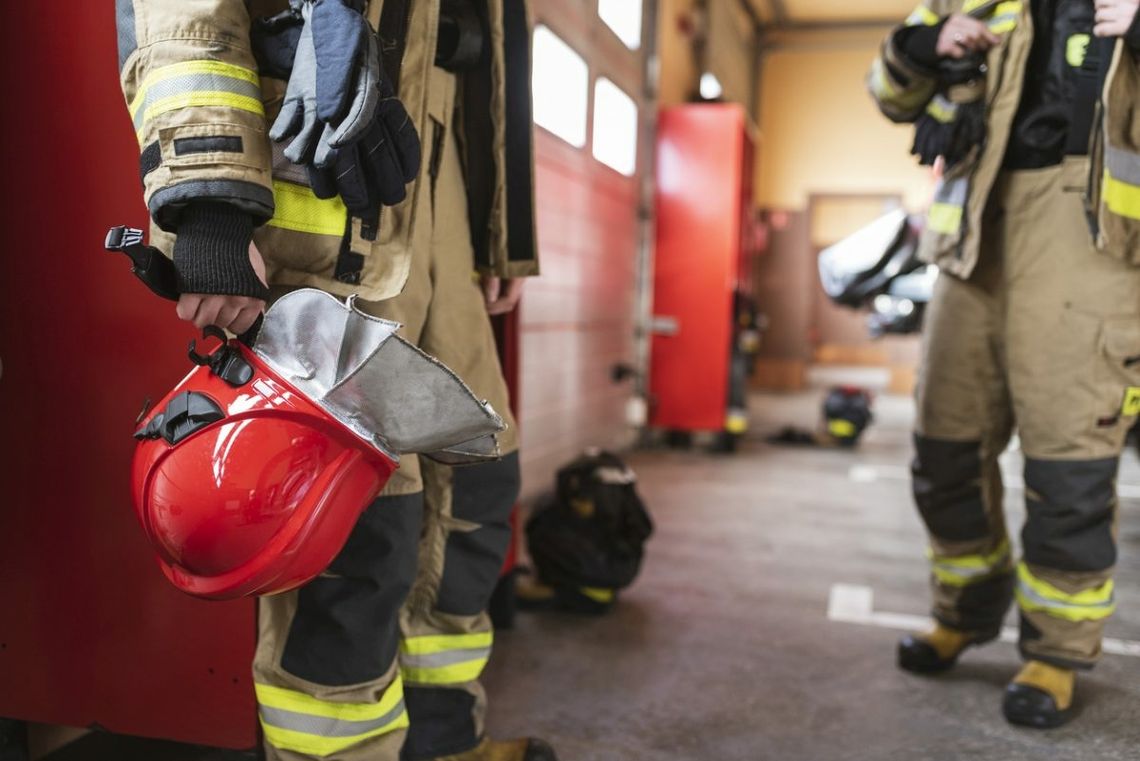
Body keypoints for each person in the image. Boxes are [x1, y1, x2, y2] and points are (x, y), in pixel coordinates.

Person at [115, 1, 551, 759]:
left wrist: (502, 228)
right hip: (325, 156)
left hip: (433, 152)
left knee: (474, 483)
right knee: (355, 528)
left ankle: (442, 740)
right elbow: (183, 16)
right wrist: (210, 202)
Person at [869, 0, 1140, 729]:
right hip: (973, 233)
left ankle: (1057, 651)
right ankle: (964, 609)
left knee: (1069, 465)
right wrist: (927, 43)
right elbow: (887, 93)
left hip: (1093, 233)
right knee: (944, 447)